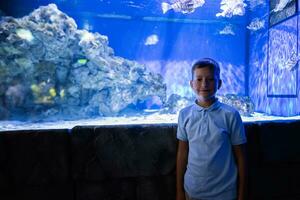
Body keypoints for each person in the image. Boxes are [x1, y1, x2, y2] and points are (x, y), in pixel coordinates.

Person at [176, 58, 247, 200]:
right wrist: (179, 191)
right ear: (191, 83)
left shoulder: (231, 115)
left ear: (219, 83)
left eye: (210, 79)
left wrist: (241, 195)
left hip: (225, 193)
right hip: (192, 191)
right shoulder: (184, 114)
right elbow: (182, 154)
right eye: (199, 79)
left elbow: (241, 157)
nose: (204, 84)